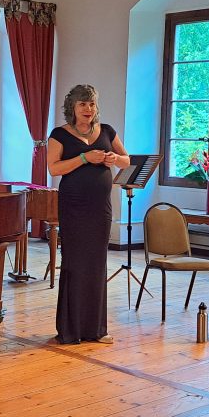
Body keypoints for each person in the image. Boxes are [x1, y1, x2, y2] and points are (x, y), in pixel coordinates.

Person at [47, 85, 130, 344]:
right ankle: (70, 330)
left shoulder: (107, 131)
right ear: (72, 107)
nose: (88, 109)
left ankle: (96, 330)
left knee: (96, 264)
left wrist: (113, 158)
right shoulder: (59, 134)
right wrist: (84, 158)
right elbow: (54, 168)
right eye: (83, 104)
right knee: (75, 263)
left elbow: (127, 160)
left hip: (100, 208)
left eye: (92, 104)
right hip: (73, 207)